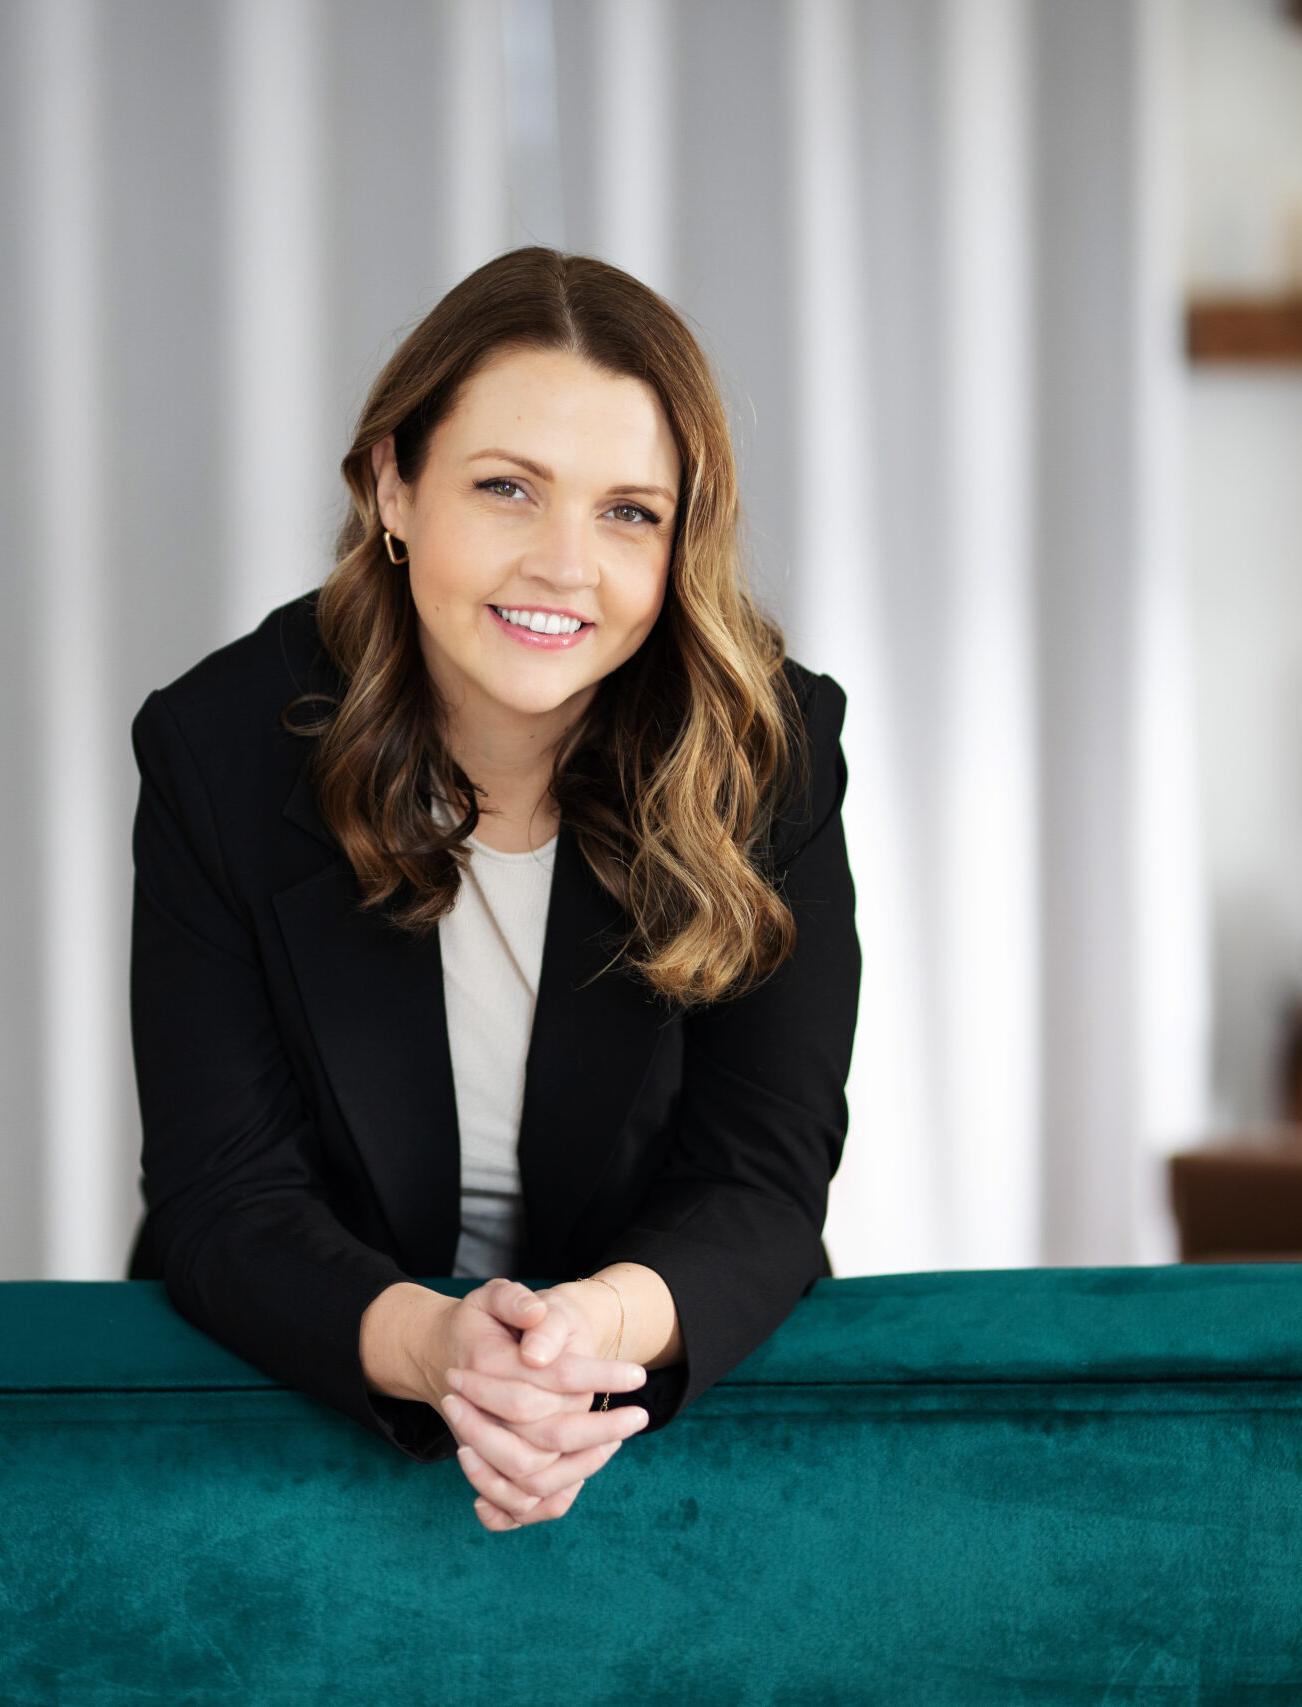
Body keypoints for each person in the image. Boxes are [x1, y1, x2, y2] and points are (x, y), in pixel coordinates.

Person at [127, 247, 859, 1532]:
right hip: (305, 1380)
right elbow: (222, 1196)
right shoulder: (222, 748)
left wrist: (575, 1336)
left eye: (629, 511)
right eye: (508, 488)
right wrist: (438, 1349)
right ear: (391, 488)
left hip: (640, 1386)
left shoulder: (766, 750)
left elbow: (762, 1176)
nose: (564, 566)